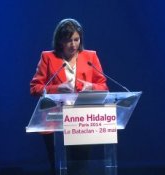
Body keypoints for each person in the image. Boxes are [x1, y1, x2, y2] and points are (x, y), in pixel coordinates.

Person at [30, 18, 108, 175]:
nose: (73, 45)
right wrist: (57, 88)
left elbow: (104, 87)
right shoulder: (48, 57)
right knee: (58, 167)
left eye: (76, 39)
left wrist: (91, 87)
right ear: (60, 41)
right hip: (55, 121)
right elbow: (35, 88)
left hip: (82, 120)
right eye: (68, 40)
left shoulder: (90, 57)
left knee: (80, 167)